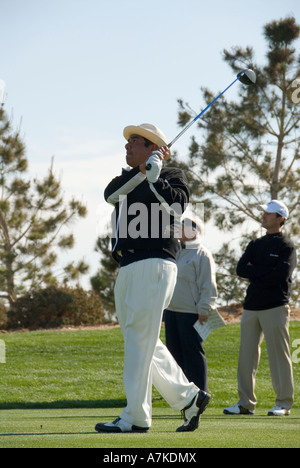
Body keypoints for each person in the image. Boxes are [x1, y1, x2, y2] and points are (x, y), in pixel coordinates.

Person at [95, 123, 210, 434]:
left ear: (152, 146)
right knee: (141, 341)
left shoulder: (174, 177)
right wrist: (146, 171)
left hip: (155, 261)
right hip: (128, 265)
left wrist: (157, 174)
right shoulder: (128, 179)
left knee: (138, 343)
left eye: (135, 141)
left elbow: (176, 205)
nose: (127, 146)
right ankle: (189, 398)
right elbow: (110, 195)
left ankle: (135, 416)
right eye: (128, 142)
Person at [224, 200, 296, 416]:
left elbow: (281, 275)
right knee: (246, 356)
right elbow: (241, 269)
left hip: (275, 306)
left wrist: (257, 272)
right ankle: (245, 403)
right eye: (264, 212)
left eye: (269, 213)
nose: (263, 216)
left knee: (279, 356)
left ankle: (283, 404)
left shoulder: (287, 246)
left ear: (280, 218)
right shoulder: (255, 244)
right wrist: (265, 271)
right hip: (251, 307)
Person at [164, 217, 218, 392]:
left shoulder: (202, 254)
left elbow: (207, 285)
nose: (178, 229)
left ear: (194, 231)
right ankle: (180, 392)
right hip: (172, 311)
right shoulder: (175, 252)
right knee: (174, 353)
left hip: (191, 313)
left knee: (192, 353)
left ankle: (200, 391)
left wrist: (204, 309)